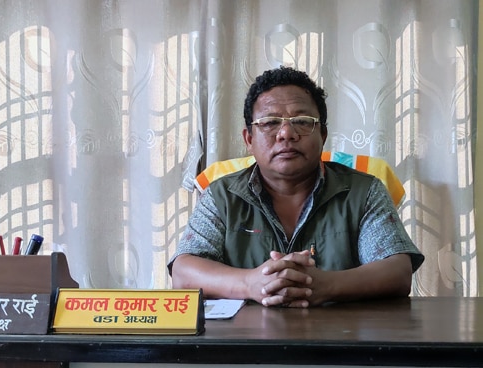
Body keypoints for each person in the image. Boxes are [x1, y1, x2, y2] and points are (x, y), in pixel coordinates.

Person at [168, 66, 424, 308]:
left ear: (322, 135)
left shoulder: (364, 191)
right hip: (244, 347)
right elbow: (184, 271)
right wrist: (252, 283)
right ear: (249, 139)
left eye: (302, 121)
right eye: (269, 123)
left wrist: (325, 285)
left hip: (342, 345)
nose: (286, 133)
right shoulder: (222, 195)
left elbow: (398, 271)